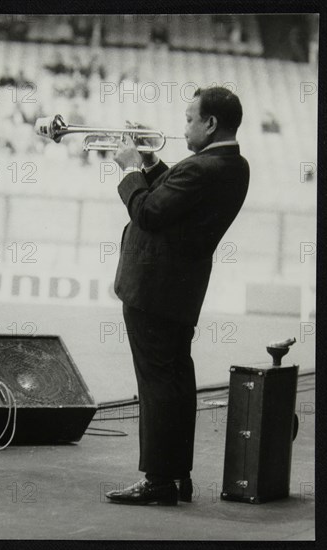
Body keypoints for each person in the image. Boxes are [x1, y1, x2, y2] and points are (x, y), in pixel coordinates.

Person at [105, 86, 250, 505]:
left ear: (210, 123)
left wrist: (131, 170)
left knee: (156, 386)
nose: (183, 126)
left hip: (154, 289)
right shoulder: (229, 164)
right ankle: (175, 476)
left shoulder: (204, 167)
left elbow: (149, 211)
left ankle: (159, 480)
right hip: (178, 290)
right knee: (175, 382)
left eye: (190, 119)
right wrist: (151, 164)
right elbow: (173, 199)